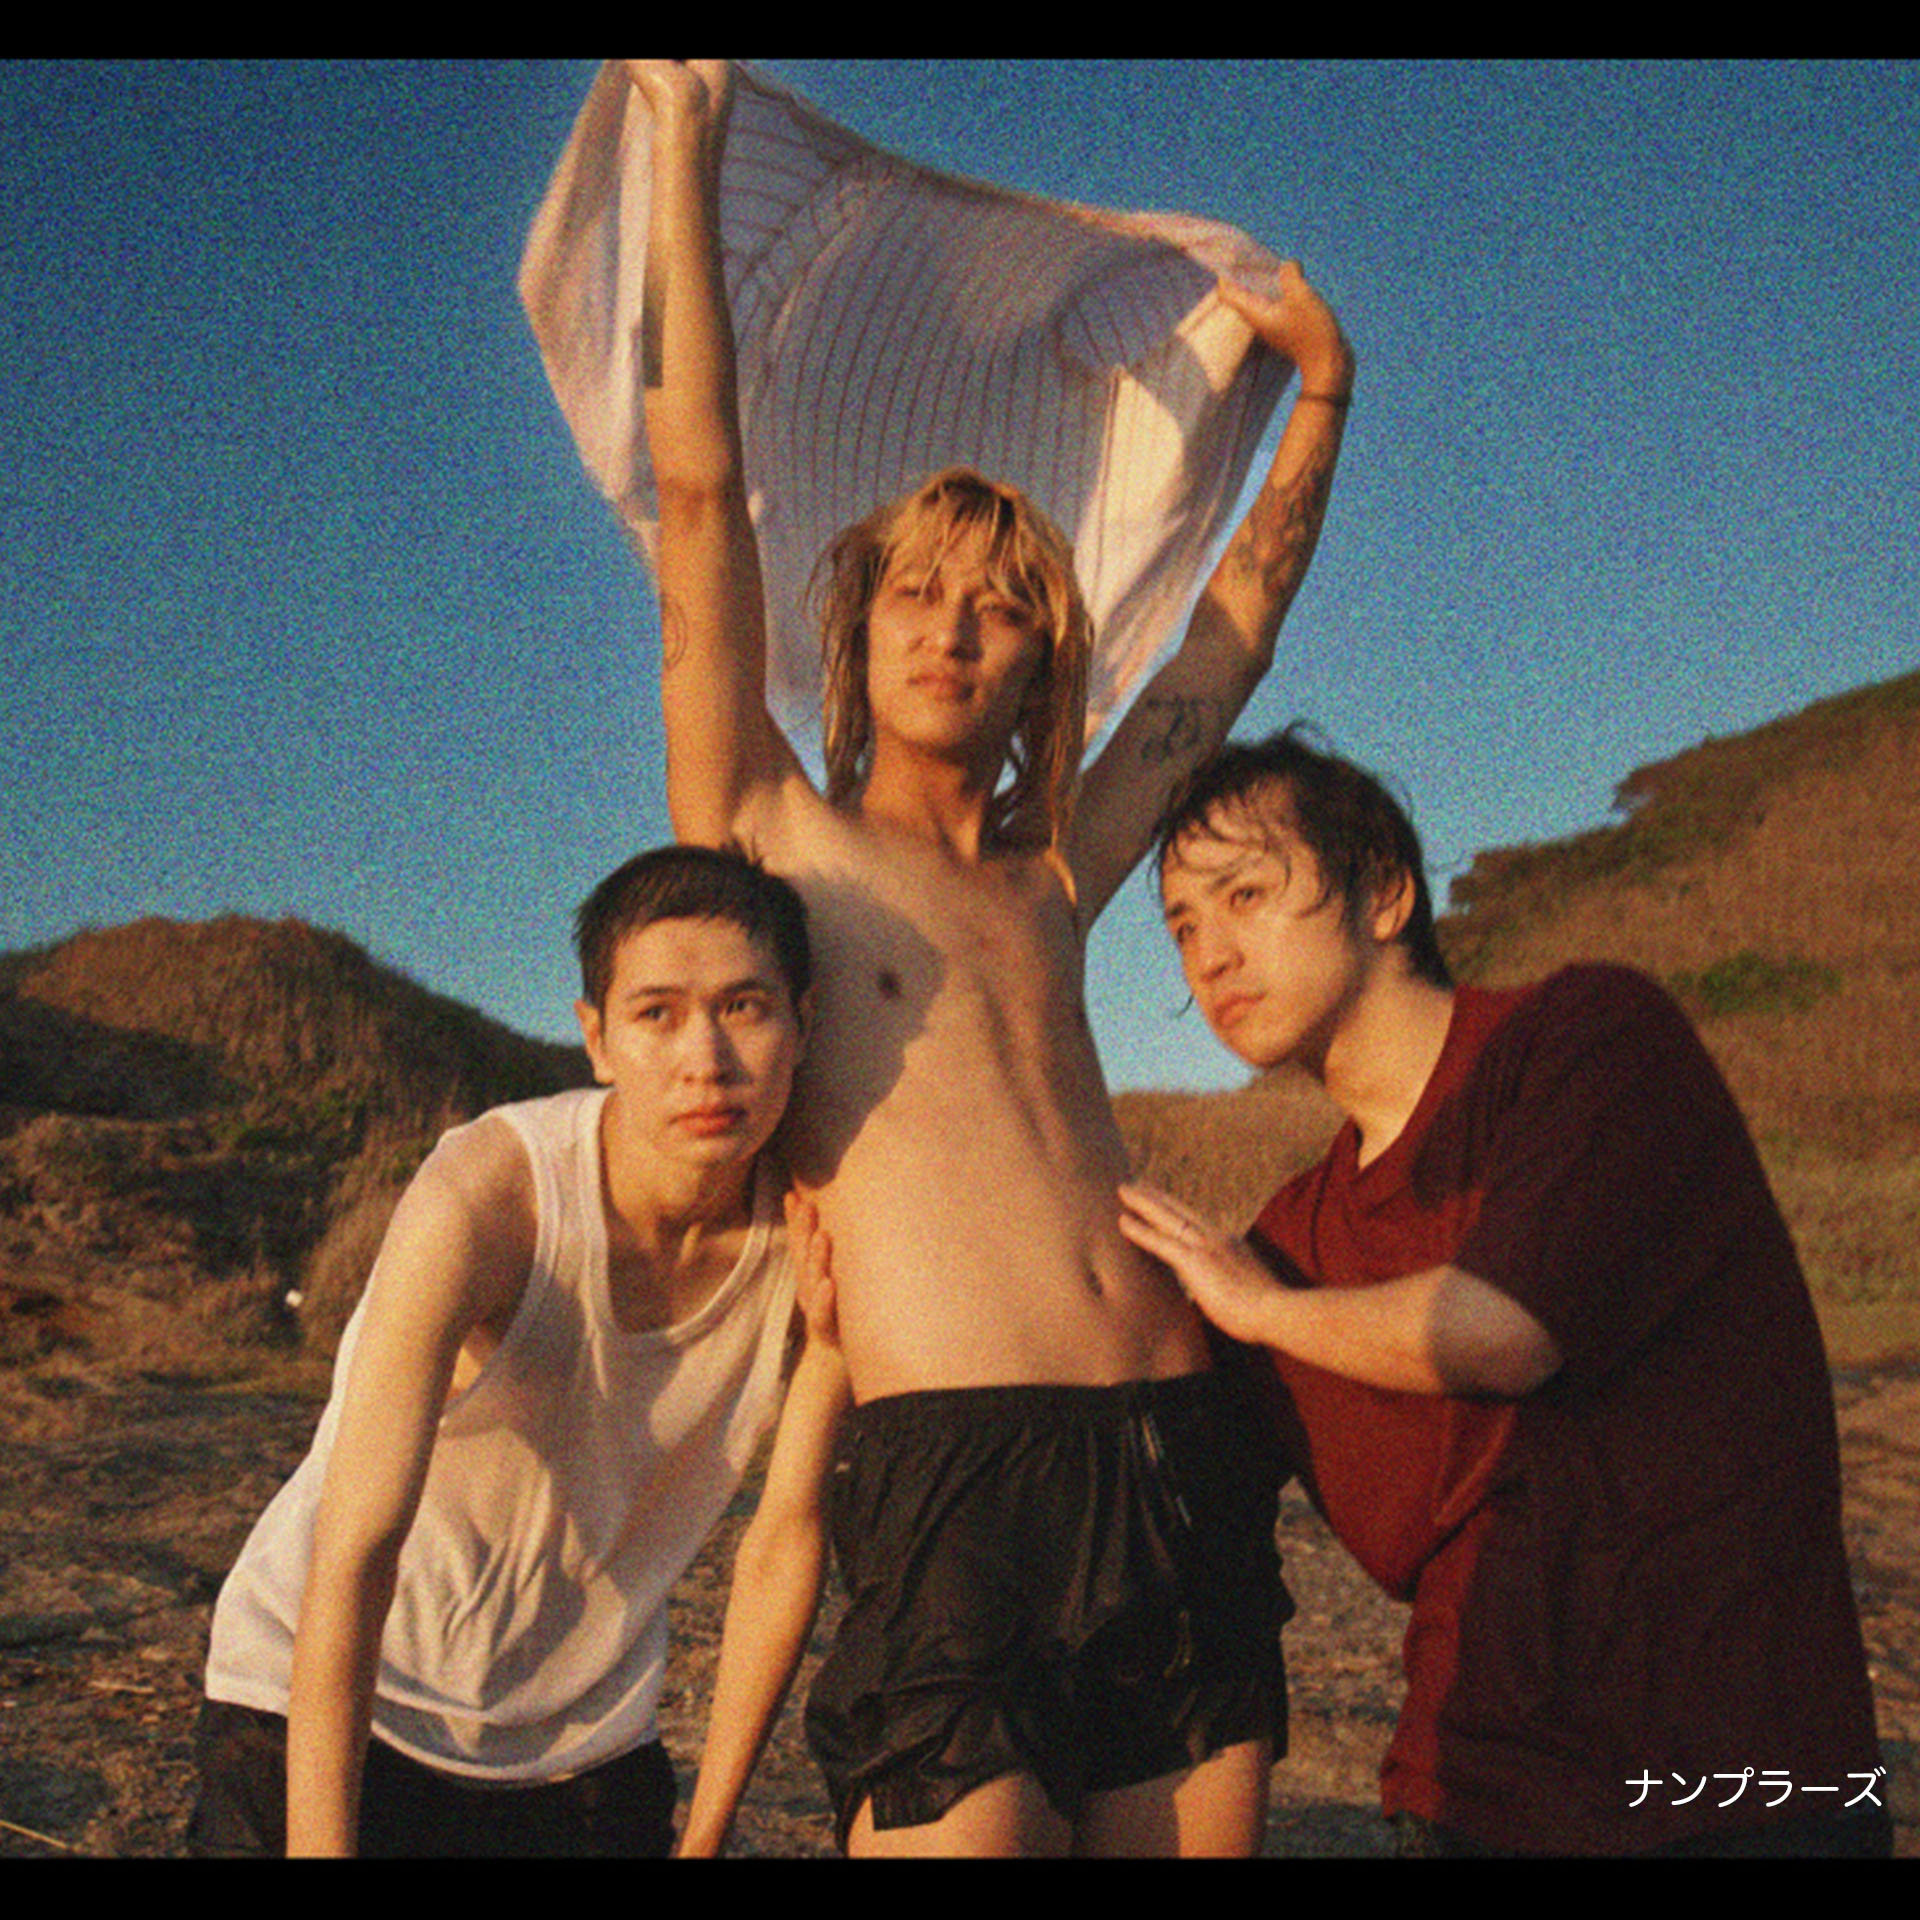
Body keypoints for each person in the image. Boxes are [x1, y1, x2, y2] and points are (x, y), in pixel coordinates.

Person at [628, 60, 1353, 1857]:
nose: (956, 628)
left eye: (1004, 602)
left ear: (1041, 664)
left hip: (1174, 1445)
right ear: (854, 631)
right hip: (955, 1472)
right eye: (918, 594)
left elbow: (1229, 644)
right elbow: (700, 498)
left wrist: (1323, 394)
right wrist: (684, 151)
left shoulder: (1056, 871)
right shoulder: (772, 833)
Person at [1118, 726, 1891, 1857]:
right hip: (1469, 1798)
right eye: (1183, 926)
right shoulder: (1296, 1236)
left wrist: (1264, 1313)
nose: (1209, 956)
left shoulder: (1586, 1040)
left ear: (1385, 892)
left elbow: (1501, 1330)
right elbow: (1160, 1477)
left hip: (1733, 1787)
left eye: (1245, 896)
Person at [188, 844, 826, 1857]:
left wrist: (706, 1838)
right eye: (657, 1013)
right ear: (597, 1039)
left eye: (744, 1007)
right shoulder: (489, 1199)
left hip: (580, 1743)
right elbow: (356, 1547)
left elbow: (785, 1540)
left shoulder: (821, 1234)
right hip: (329, 1694)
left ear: (804, 1022)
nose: (706, 1058)